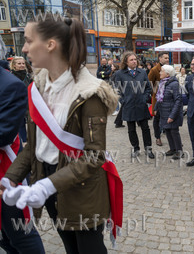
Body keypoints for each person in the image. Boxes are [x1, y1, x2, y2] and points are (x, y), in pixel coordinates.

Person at [2, 16, 119, 252]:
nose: (23, 49)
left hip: (82, 189)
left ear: (50, 45)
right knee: (69, 246)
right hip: (50, 181)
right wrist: (10, 178)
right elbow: (33, 146)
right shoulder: (38, 88)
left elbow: (94, 157)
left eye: (28, 41)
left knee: (88, 249)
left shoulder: (89, 92)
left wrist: (47, 186)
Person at [0, 64, 45, 253]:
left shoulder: (10, 85)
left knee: (21, 235)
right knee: (5, 237)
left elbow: (4, 134)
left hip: (5, 173)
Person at [115, 51, 155, 159]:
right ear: (126, 62)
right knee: (131, 129)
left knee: (145, 128)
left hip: (141, 105)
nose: (134, 62)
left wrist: (145, 98)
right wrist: (124, 101)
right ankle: (136, 148)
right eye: (131, 60)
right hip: (128, 106)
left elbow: (148, 87)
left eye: (135, 59)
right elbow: (117, 91)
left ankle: (148, 148)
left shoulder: (142, 72)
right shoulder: (120, 74)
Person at [154, 65, 184, 160]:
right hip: (163, 111)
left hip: (171, 112)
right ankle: (172, 149)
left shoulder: (174, 84)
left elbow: (178, 100)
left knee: (174, 131)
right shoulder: (162, 83)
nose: (160, 73)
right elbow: (159, 97)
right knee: (167, 130)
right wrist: (155, 108)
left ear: (167, 74)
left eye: (161, 71)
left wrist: (172, 115)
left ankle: (179, 151)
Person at [148, 52, 170, 147]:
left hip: (168, 98)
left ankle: (169, 135)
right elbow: (149, 83)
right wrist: (155, 91)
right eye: (165, 58)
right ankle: (158, 137)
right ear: (160, 59)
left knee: (167, 118)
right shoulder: (154, 70)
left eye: (168, 58)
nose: (167, 59)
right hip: (157, 99)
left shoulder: (169, 69)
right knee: (157, 119)